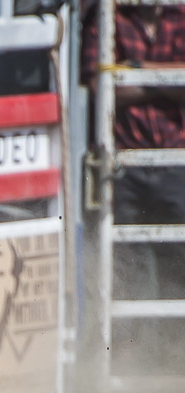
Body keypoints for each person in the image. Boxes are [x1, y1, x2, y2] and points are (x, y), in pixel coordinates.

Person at [81, 1, 185, 308]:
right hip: (124, 167)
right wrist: (169, 82)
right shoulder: (105, 17)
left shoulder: (180, 16)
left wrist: (137, 69)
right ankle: (138, 349)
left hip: (175, 163)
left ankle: (175, 348)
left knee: (179, 264)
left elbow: (116, 84)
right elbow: (98, 84)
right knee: (131, 271)